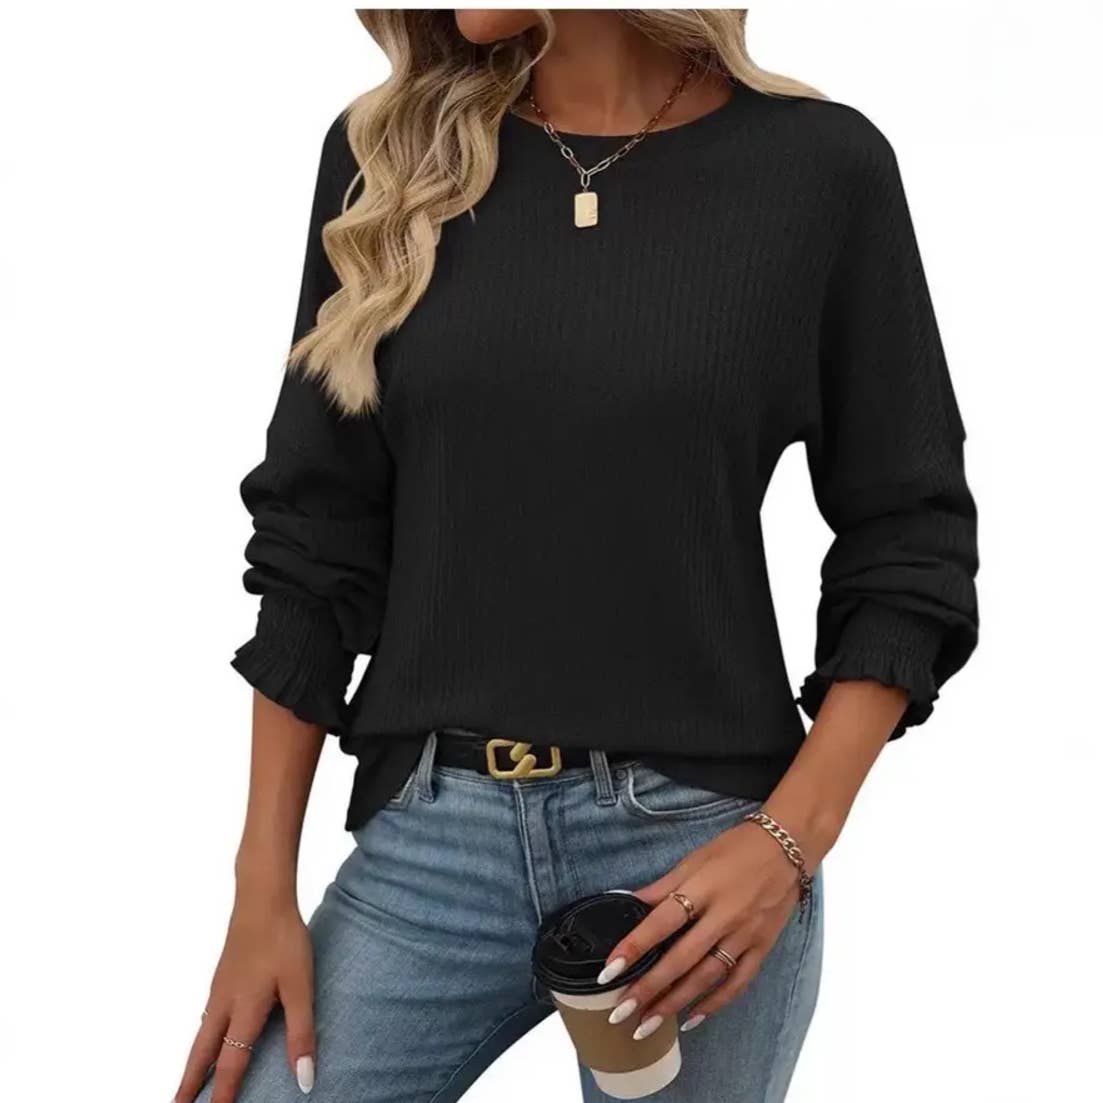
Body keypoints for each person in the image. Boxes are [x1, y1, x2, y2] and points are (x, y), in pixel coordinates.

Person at [174, 10, 979, 1103]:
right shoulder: (390, 158)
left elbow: (908, 535)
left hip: (697, 854)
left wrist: (788, 842)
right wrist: (259, 885)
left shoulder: (819, 169)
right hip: (432, 834)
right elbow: (316, 538)